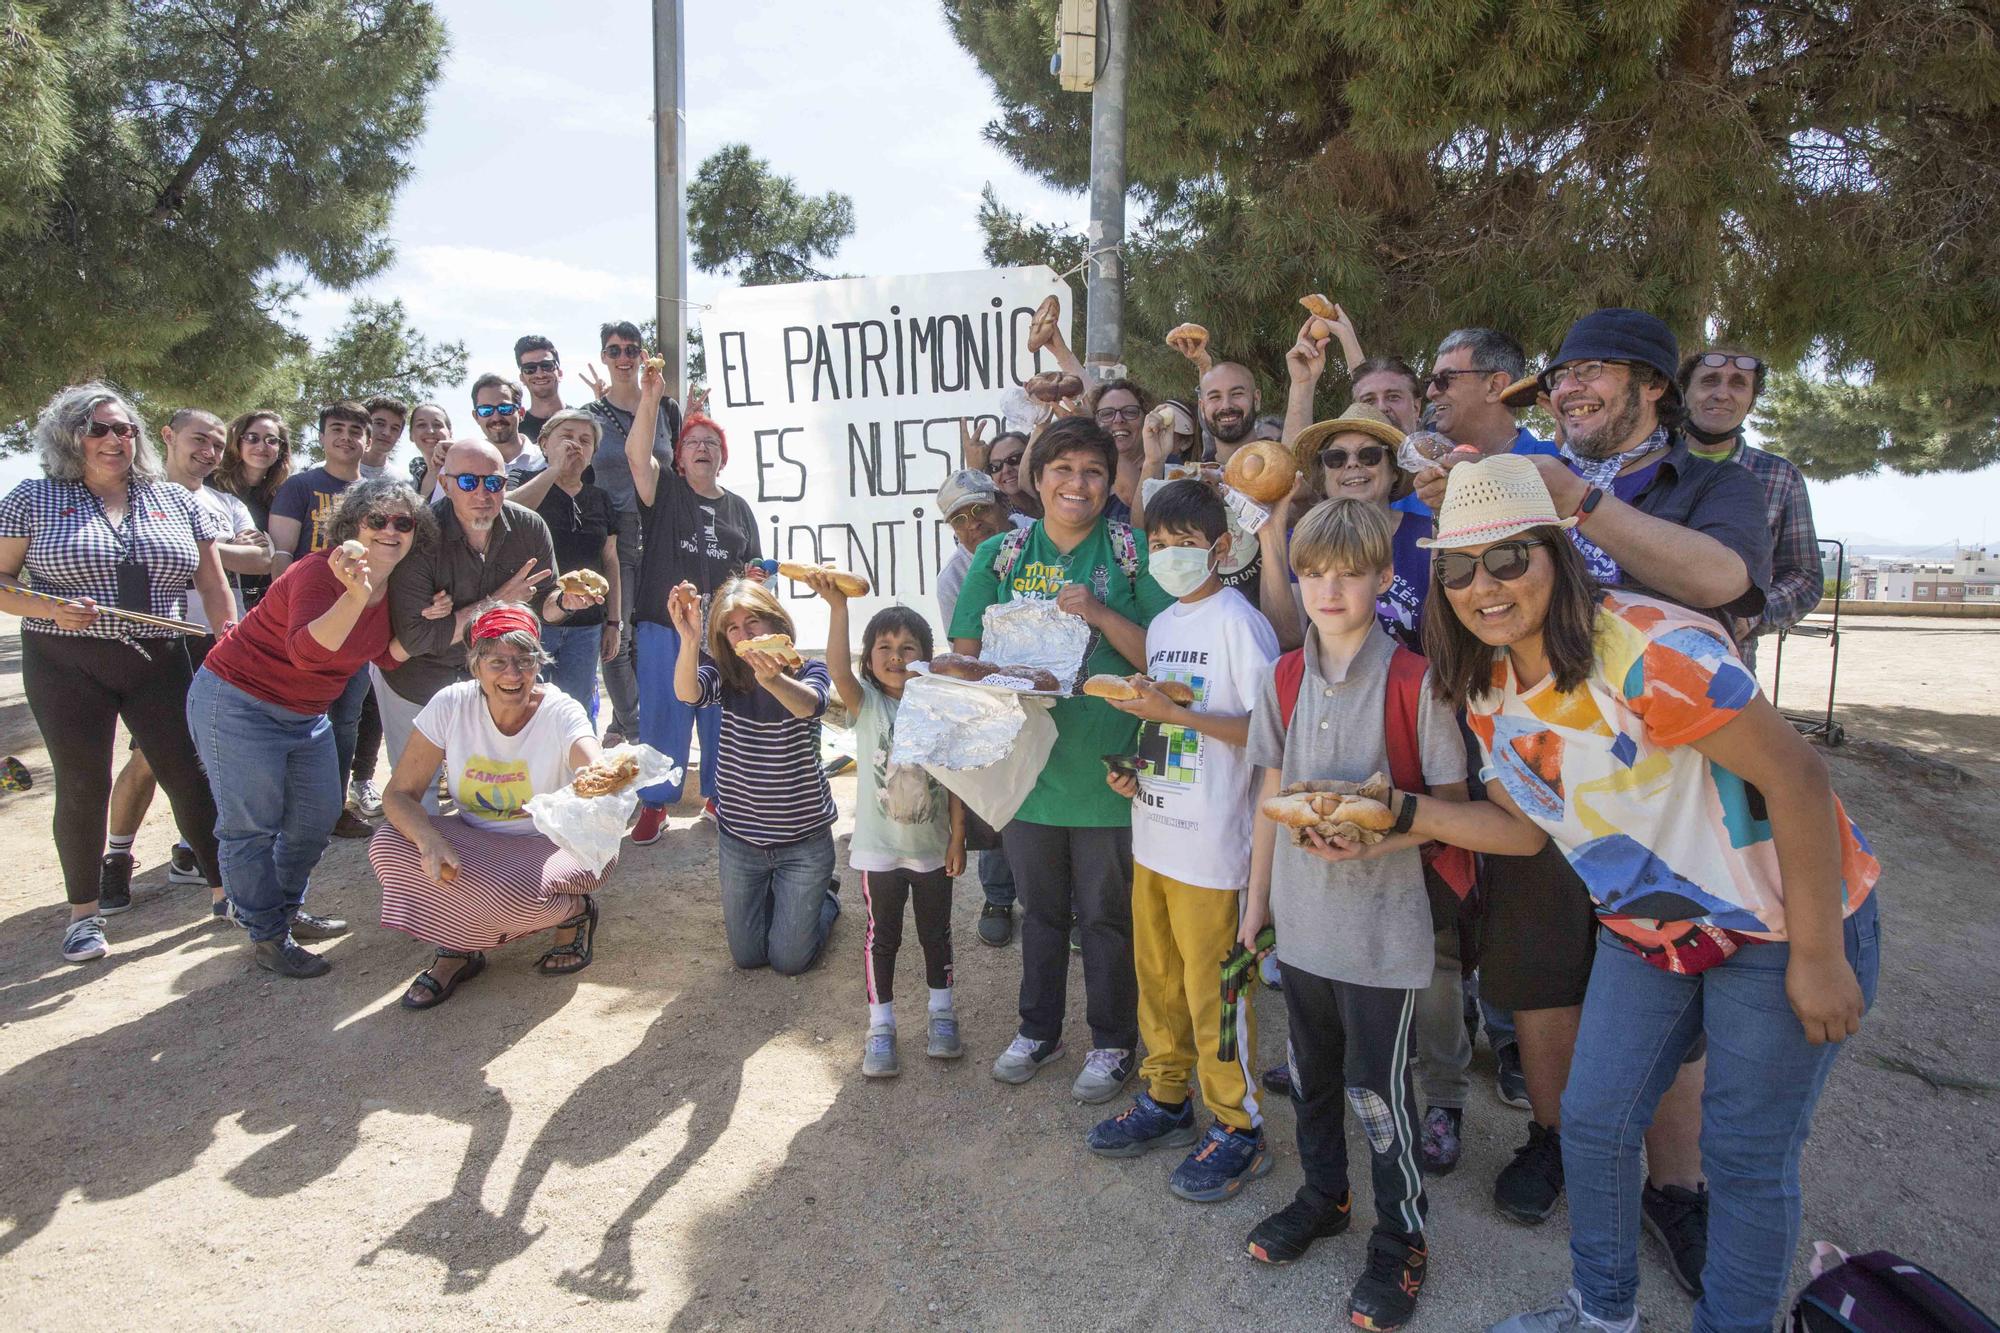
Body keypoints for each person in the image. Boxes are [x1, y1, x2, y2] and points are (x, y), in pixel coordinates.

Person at [1385, 454, 1880, 1333]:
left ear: (1558, 550)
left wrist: (1818, 952)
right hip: (1649, 931)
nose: (1482, 587)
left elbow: (1799, 777)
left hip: (1778, 921)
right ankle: (1602, 1310)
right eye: (1458, 569)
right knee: (1595, 1117)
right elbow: (1523, 828)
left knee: (1745, 1154)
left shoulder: (1650, 645)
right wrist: (1398, 813)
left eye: (1508, 558)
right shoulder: (1493, 686)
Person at [1416, 310, 1775, 1262]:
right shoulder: (1528, 469)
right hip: (1538, 771)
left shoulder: (1706, 483)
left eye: (1592, 374)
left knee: (1673, 990)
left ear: (1655, 384)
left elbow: (1722, 577)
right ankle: (1555, 1139)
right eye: (1561, 375)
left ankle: (1677, 1185)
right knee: (1539, 977)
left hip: (1666, 795)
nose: (1568, 390)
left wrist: (1577, 501)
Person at [1234, 497, 1466, 1332]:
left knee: (1380, 1089)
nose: (1329, 588)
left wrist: (1379, 829)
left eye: (1349, 572)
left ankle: (1402, 1234)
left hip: (1382, 932)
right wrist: (1254, 907)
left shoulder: (1416, 680)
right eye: (1313, 572)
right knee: (1314, 1075)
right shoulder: (1283, 676)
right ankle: (1324, 1195)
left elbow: (1449, 806)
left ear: (1382, 576)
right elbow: (1269, 793)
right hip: (1301, 925)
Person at [949, 416, 1174, 1103]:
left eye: (1093, 472)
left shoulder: (1134, 552)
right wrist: (998, 674)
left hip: (1111, 767)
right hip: (1029, 770)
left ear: (1109, 484)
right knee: (1042, 911)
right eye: (1063, 469)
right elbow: (964, 654)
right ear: (1037, 478)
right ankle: (1037, 1029)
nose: (1078, 483)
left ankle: (1112, 1042)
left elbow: (1162, 661)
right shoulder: (999, 555)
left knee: (1107, 916)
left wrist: (1101, 614)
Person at [1085, 480, 1280, 1201]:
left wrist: (1174, 712)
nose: (1167, 557)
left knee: (1215, 992)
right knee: (1159, 980)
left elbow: (1268, 737)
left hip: (1214, 852)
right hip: (1156, 837)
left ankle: (1238, 1123)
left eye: (1183, 545)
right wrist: (1136, 772)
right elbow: (1166, 723)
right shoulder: (1164, 627)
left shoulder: (1240, 624)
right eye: (1158, 545)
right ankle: (1167, 1096)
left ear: (1221, 548)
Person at [0, 383, 234, 964]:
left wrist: (230, 638)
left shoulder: (172, 498)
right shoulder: (32, 496)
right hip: (64, 660)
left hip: (159, 656)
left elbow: (211, 581)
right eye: (98, 428)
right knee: (83, 784)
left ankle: (228, 894)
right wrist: (49, 608)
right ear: (68, 436)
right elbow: (2, 583)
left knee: (189, 773)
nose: (114, 439)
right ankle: (84, 916)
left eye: (124, 428)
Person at [189, 479, 434, 977]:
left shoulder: (399, 586)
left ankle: (284, 911)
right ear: (352, 524)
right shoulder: (319, 572)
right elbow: (307, 652)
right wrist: (355, 593)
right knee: (251, 826)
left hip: (305, 714)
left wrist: (456, 617)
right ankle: (267, 933)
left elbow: (384, 655)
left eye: (403, 523)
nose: (391, 531)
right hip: (239, 701)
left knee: (315, 820)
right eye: (378, 520)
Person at [372, 603, 612, 1009]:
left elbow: (591, 760)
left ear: (540, 663)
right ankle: (458, 944)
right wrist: (429, 839)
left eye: (524, 660)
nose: (512, 674)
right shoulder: (451, 704)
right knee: (389, 845)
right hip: (479, 841)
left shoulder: (559, 709)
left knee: (512, 894)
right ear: (475, 665)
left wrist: (604, 773)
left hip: (552, 843)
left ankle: (572, 910)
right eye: (497, 661)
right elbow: (398, 794)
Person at [102, 408, 274, 916]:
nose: (208, 451)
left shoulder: (226, 502)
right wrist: (222, 550)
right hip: (159, 641)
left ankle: (190, 852)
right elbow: (125, 555)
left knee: (214, 756)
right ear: (168, 436)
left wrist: (197, 547)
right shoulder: (137, 497)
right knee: (150, 757)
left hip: (224, 640)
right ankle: (115, 856)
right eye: (199, 439)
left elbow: (261, 559)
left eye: (217, 445)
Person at [807, 568, 966, 1076]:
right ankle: (881, 1026)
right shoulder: (867, 704)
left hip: (933, 847)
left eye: (909, 647)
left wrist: (958, 836)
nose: (897, 657)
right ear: (870, 661)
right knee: (884, 936)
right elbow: (834, 667)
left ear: (926, 654)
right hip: (879, 850)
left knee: (936, 933)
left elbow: (958, 777)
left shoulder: (941, 707)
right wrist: (837, 609)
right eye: (885, 648)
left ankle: (942, 1013)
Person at [666, 577, 841, 975]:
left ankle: (826, 897)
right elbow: (687, 693)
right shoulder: (727, 676)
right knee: (747, 957)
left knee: (789, 961)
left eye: (753, 623)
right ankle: (785, 899)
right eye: (733, 628)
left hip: (804, 841)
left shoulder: (808, 668)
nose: (744, 635)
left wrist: (773, 679)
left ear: (776, 623)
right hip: (741, 841)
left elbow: (810, 706)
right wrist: (690, 638)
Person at [373, 439, 560, 807]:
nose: (482, 493)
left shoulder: (529, 528)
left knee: (491, 789)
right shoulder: (420, 535)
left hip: (495, 681)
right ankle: (421, 864)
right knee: (417, 793)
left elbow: (544, 607)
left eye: (493, 482)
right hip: (418, 681)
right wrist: (499, 602)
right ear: (444, 484)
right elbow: (417, 637)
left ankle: (487, 865)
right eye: (468, 482)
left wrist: (567, 603)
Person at [627, 362, 761, 843]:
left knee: (722, 715)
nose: (703, 449)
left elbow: (752, 569)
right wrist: (649, 398)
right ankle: (654, 804)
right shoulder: (664, 492)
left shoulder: (740, 508)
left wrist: (757, 580)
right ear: (679, 458)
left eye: (712, 444)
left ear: (723, 458)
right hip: (666, 627)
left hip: (723, 632)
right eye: (692, 442)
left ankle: (720, 797)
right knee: (664, 712)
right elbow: (638, 458)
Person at [270, 400, 377, 837]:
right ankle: (289, 812)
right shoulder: (300, 487)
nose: (346, 437)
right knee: (293, 717)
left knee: (346, 718)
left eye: (356, 430)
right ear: (321, 435)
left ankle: (332, 809)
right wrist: (282, 617)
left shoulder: (376, 491)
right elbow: (280, 554)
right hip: (306, 622)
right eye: (337, 428)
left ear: (368, 441)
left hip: (359, 622)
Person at [1678, 347, 1821, 668]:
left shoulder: (1780, 476)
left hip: (1727, 665)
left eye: (1738, 384)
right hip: (1630, 654)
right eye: (1709, 381)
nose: (1722, 393)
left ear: (1752, 401)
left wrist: (1754, 612)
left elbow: (1805, 577)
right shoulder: (1643, 463)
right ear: (1683, 393)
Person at [581, 320, 682, 746]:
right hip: (612, 534)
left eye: (631, 350)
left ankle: (631, 724)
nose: (623, 358)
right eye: (614, 350)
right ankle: (635, 726)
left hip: (659, 531)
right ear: (604, 356)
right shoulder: (588, 416)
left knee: (651, 634)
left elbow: (675, 468)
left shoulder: (666, 409)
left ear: (643, 357)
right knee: (617, 637)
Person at [934, 468, 1022, 947]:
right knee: (995, 794)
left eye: (980, 510)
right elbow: (965, 652)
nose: (973, 525)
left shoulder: (1040, 536)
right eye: (959, 520)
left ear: (1002, 504)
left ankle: (1068, 904)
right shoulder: (953, 579)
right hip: (994, 693)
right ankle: (999, 895)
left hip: (1057, 685)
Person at [505, 409, 620, 720]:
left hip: (587, 625)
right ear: (544, 443)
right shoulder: (528, 482)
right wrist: (553, 470)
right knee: (524, 708)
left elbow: (610, 560)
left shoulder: (601, 499)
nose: (575, 445)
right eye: (566, 437)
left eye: (585, 440)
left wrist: (613, 622)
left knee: (576, 710)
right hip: (533, 621)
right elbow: (504, 513)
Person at [1084, 378, 1151, 521]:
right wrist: (1040, 425)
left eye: (1130, 412)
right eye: (1107, 414)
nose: (1118, 420)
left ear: (1146, 418)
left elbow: (1146, 510)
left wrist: (1101, 437)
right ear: (1096, 420)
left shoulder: (1169, 467)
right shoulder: (1087, 470)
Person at [1197, 361, 1264, 464]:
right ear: (1202, 408)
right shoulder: (1193, 476)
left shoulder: (1282, 469)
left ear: (1256, 400)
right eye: (1215, 397)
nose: (1226, 405)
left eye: (1236, 394)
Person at [470, 373, 531, 472]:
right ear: (476, 416)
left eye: (505, 408)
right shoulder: (465, 466)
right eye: (486, 410)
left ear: (521, 413)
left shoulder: (547, 461)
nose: (496, 418)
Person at [514, 334, 565, 443]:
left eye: (546, 365)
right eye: (529, 368)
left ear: (560, 373)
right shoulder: (515, 431)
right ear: (522, 378)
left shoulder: (583, 419)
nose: (540, 374)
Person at [408, 403, 453, 499]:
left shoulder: (462, 470)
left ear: (450, 432)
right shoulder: (415, 476)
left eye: (437, 425)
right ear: (411, 435)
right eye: (421, 425)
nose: (430, 431)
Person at [361, 397, 407, 479]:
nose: (387, 433)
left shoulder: (402, 481)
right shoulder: (335, 471)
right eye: (380, 424)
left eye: (394, 428)